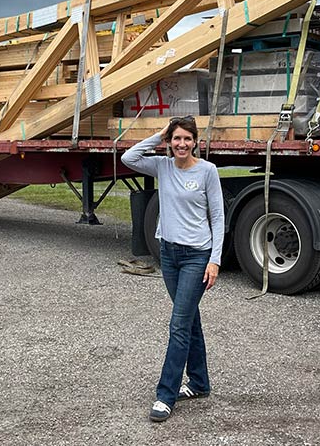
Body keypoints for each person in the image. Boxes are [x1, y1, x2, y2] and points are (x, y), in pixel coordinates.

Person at [121, 115, 224, 422]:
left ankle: (166, 395)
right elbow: (129, 157)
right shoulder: (162, 167)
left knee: (178, 324)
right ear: (170, 141)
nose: (182, 144)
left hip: (196, 256)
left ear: (195, 142)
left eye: (187, 139)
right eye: (176, 138)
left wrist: (215, 260)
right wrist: (160, 133)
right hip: (169, 255)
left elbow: (217, 218)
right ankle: (200, 382)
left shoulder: (207, 171)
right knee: (189, 320)